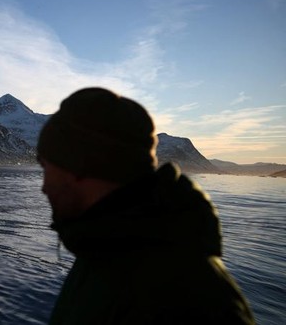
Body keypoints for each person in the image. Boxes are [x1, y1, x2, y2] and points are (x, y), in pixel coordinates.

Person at [37, 87, 254, 325]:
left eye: (46, 168)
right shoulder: (105, 247)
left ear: (79, 165)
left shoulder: (181, 298)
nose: (44, 187)